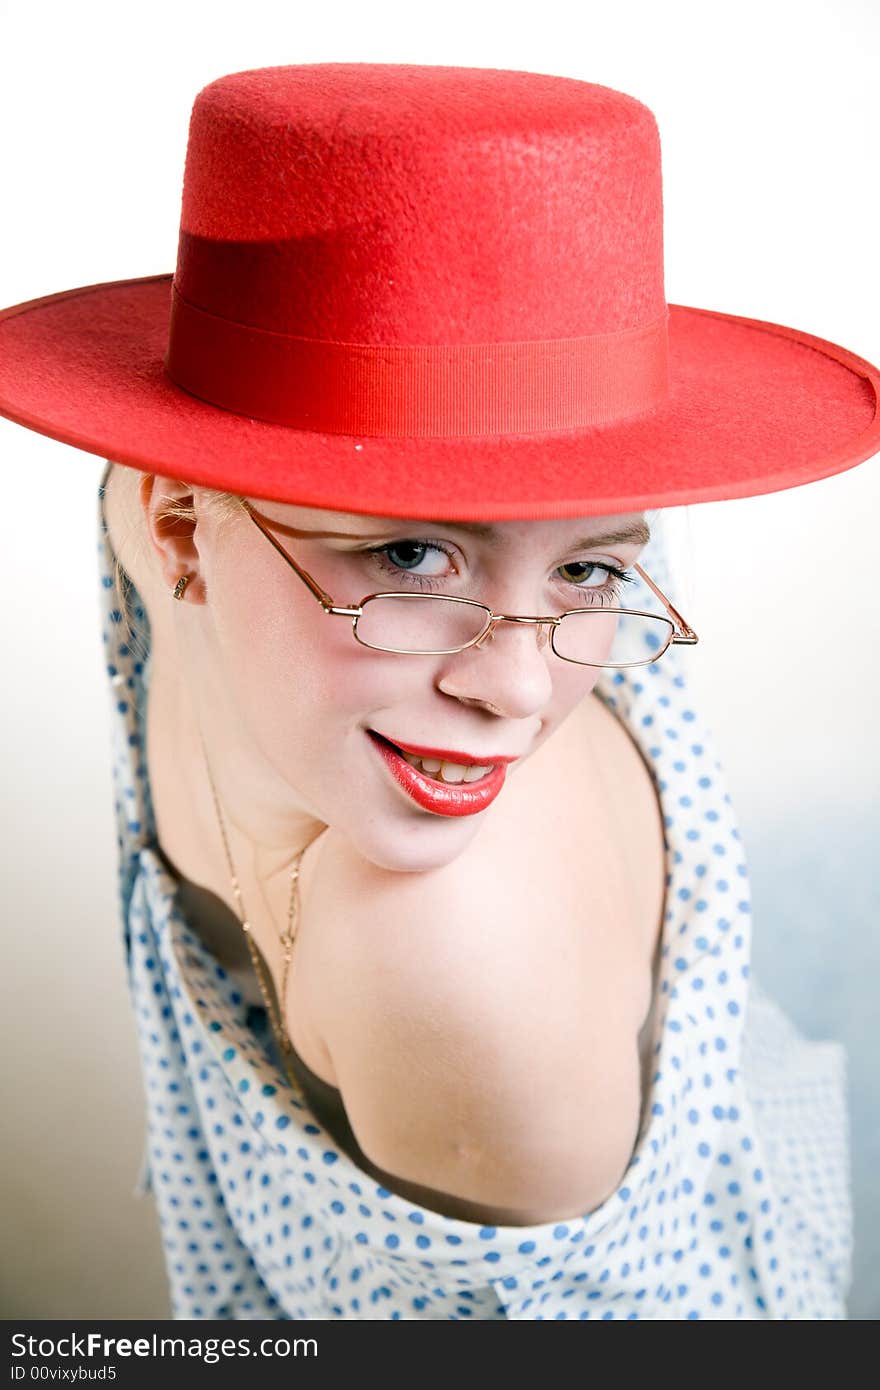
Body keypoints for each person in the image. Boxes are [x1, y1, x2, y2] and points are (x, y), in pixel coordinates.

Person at [1, 62, 877, 1321]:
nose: (520, 688)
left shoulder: (448, 977)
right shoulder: (171, 515)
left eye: (590, 565)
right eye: (412, 554)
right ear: (180, 520)